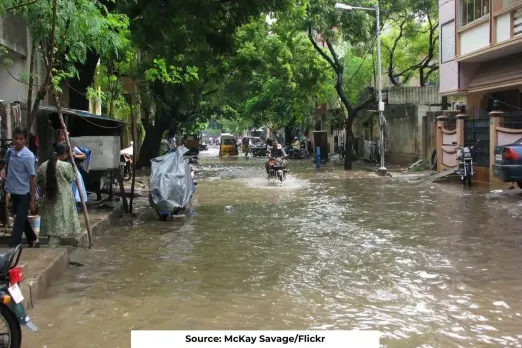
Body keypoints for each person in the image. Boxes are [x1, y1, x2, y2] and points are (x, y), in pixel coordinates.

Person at [37, 143, 81, 247]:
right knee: (57, 228)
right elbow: (71, 178)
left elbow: (39, 180)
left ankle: (52, 247)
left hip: (49, 199)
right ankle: (52, 250)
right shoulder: (66, 166)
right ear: (65, 154)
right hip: (62, 200)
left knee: (51, 227)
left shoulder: (43, 165)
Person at [4, 127, 39, 247]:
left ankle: (14, 244)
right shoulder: (10, 152)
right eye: (16, 138)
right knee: (21, 217)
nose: (18, 141)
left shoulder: (28, 156)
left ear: (25, 140)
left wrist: (33, 199)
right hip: (13, 190)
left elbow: (32, 177)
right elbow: (7, 166)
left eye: (21, 139)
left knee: (19, 218)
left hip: (24, 192)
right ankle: (33, 239)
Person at [56, 130, 88, 212]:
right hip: (61, 174)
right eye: (60, 140)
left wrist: (75, 155)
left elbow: (84, 155)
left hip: (72, 173)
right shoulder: (56, 149)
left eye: (64, 140)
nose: (62, 142)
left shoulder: (72, 148)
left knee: (74, 192)